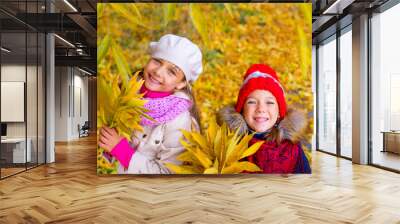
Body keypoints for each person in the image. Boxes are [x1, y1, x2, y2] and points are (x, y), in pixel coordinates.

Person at [99, 34, 203, 174]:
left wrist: (121, 150)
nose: (158, 71)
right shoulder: (123, 89)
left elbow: (167, 173)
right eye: (157, 61)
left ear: (181, 83)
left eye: (171, 71)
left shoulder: (180, 122)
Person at [217, 64, 311, 174]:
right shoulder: (228, 144)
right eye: (252, 102)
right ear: (242, 110)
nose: (261, 109)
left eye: (269, 102)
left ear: (279, 113)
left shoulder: (292, 148)